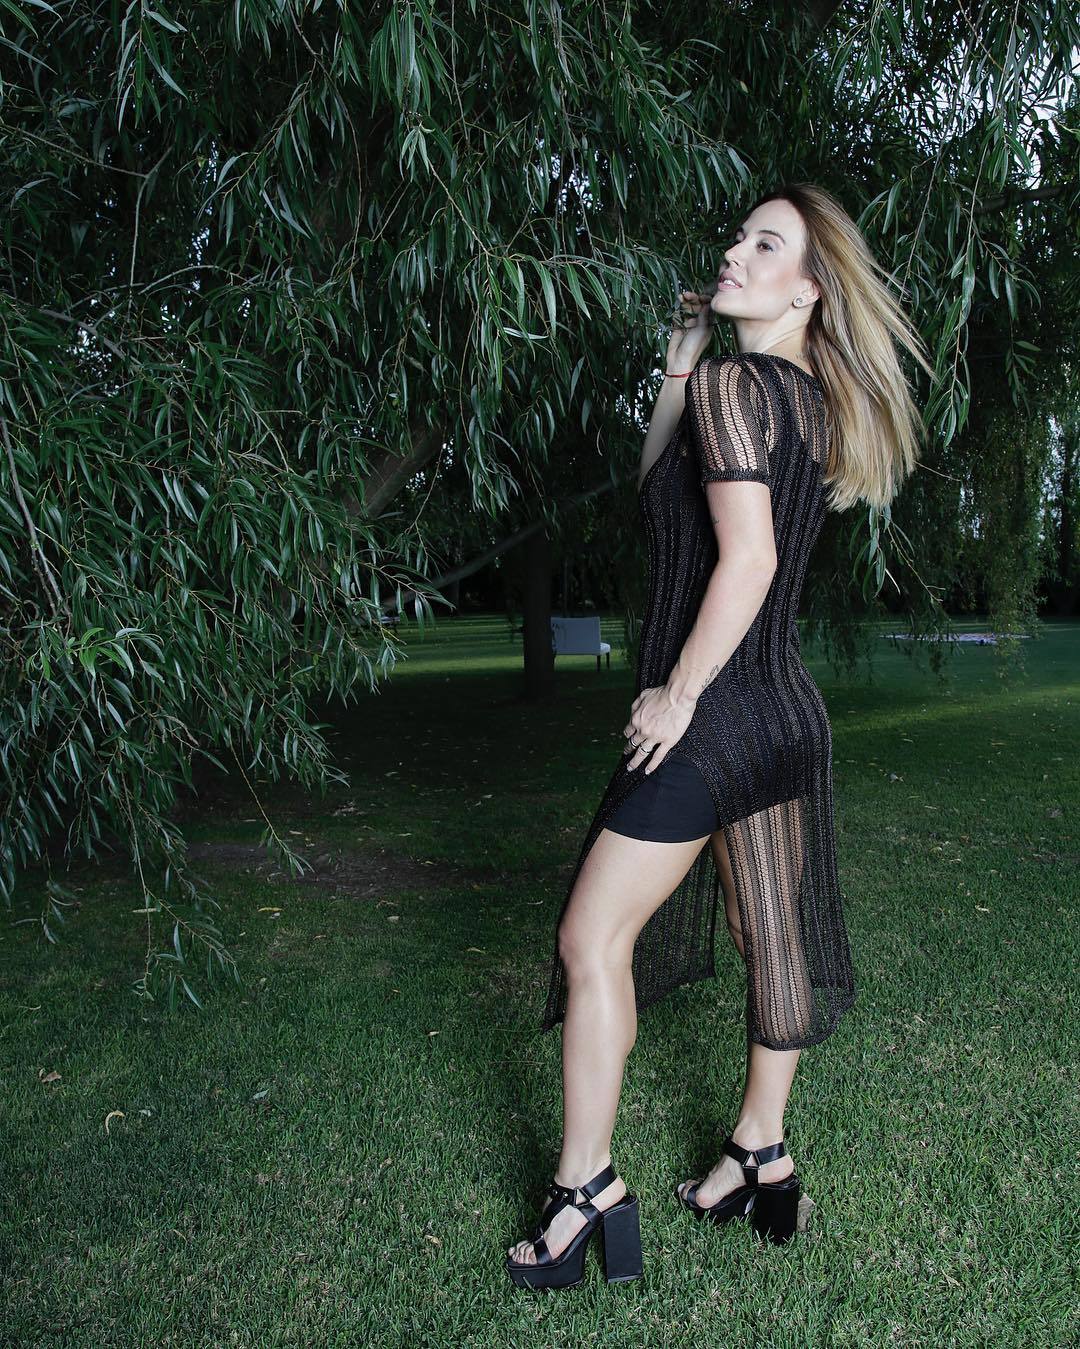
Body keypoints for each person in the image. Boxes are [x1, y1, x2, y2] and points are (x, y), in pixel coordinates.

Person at [506, 183, 932, 1289]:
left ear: (809, 289)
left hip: (720, 717)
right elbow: (662, 493)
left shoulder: (743, 389)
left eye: (766, 244)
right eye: (740, 236)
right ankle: (760, 1152)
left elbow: (749, 561)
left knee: (591, 939)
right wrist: (679, 364)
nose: (734, 252)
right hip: (786, 715)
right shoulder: (793, 399)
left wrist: (678, 694)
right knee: (768, 933)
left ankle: (585, 1190)